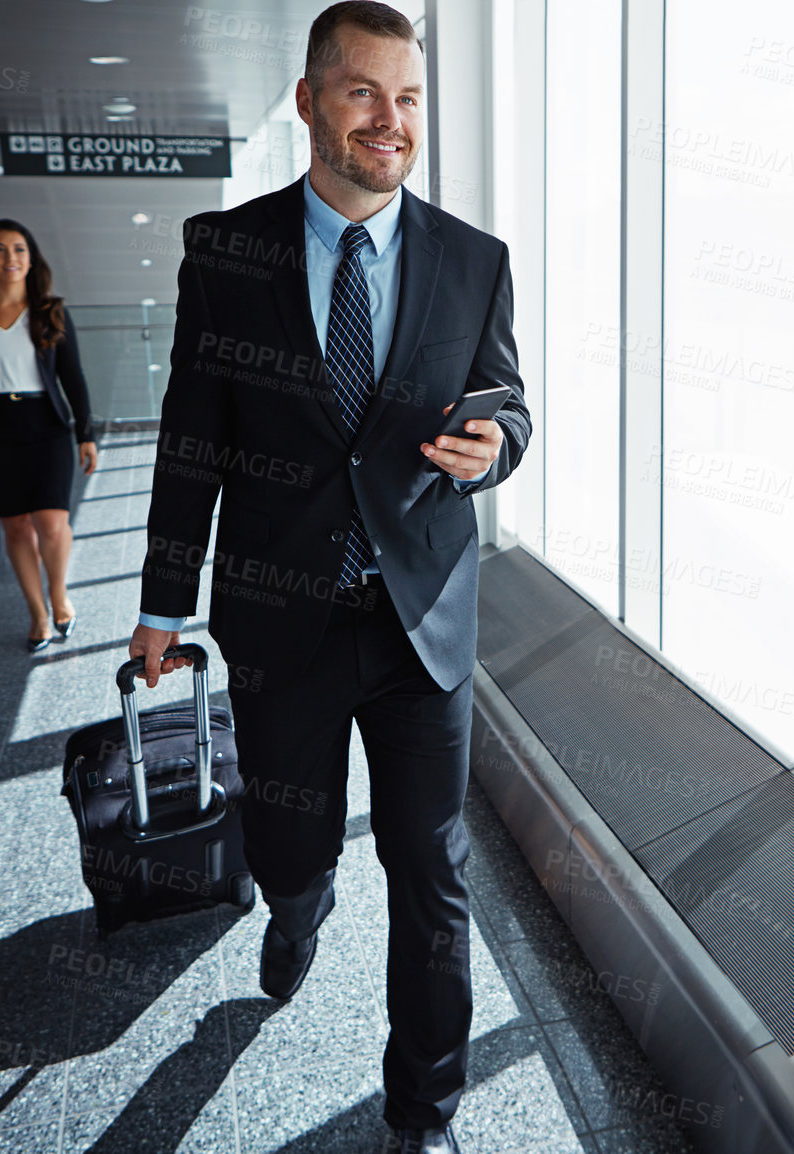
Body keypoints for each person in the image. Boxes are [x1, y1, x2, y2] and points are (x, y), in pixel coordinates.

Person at [129, 4, 531, 1152]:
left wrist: (497, 448)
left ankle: (423, 1110)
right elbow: (191, 436)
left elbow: (510, 404)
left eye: (407, 98)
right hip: (278, 617)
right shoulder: (227, 253)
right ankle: (297, 910)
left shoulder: (473, 259)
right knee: (289, 849)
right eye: (362, 92)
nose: (390, 120)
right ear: (309, 101)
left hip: (419, 626)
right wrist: (163, 601)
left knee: (432, 870)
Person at [0, 219, 97, 651]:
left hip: (46, 424)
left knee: (52, 521)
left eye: (19, 249)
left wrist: (86, 433)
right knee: (15, 528)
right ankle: (37, 614)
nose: (10, 258)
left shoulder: (51, 310)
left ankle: (59, 595)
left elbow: (74, 377)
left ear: (31, 257)